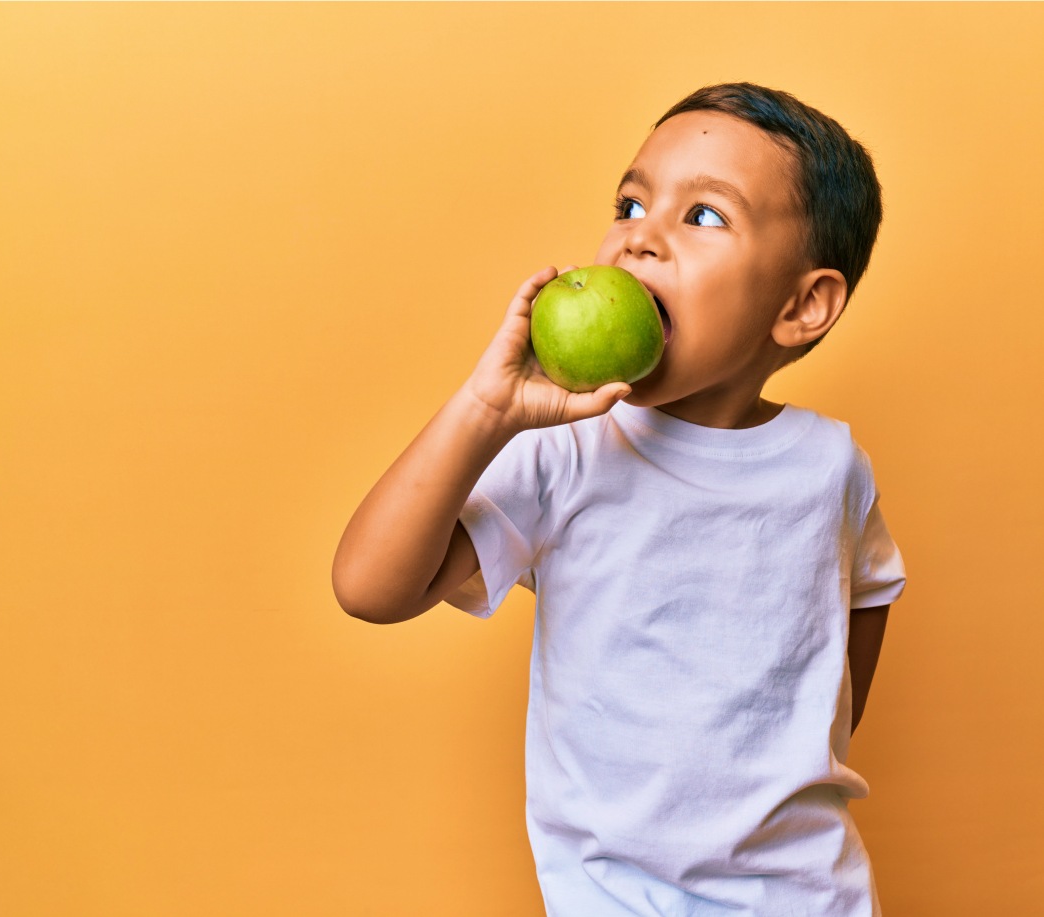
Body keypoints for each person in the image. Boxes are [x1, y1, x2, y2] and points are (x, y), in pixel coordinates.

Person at [332, 82, 907, 916]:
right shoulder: (566, 450)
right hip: (612, 898)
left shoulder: (828, 464)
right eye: (631, 202)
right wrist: (485, 411)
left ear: (801, 305)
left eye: (703, 216)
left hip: (808, 893)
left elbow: (868, 592)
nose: (640, 236)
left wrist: (802, 743)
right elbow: (369, 587)